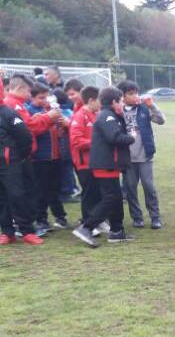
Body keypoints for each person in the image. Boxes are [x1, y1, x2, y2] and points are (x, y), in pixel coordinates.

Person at [71, 88, 136, 246]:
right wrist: (131, 138)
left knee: (115, 198)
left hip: (110, 164)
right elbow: (114, 137)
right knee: (110, 198)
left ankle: (117, 231)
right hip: (105, 164)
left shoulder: (110, 115)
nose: (122, 104)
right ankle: (86, 227)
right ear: (114, 102)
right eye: (120, 101)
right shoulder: (107, 116)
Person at [117, 81, 163, 230]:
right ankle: (137, 217)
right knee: (130, 187)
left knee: (149, 186)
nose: (135, 96)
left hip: (145, 155)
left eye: (136, 93)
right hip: (127, 157)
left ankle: (155, 217)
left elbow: (161, 120)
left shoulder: (144, 108)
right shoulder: (118, 111)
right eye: (130, 93)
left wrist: (152, 106)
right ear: (122, 96)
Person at [25, 84, 70, 232]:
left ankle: (60, 216)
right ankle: (41, 220)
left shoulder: (50, 110)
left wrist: (62, 126)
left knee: (55, 189)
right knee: (40, 190)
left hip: (56, 157)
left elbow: (59, 131)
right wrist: (48, 119)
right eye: (40, 98)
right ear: (31, 97)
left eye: (46, 97)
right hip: (39, 158)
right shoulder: (29, 112)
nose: (44, 100)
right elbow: (32, 131)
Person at [0, 91, 39, 245]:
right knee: (1, 198)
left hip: (10, 162)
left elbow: (25, 136)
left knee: (17, 195)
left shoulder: (8, 113)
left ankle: (27, 231)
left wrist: (16, 155)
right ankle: (7, 232)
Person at [68, 86, 101, 229]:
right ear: (91, 100)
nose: (101, 103)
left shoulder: (95, 114)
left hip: (96, 161)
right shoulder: (80, 116)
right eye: (99, 100)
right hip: (84, 163)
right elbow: (76, 141)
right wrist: (97, 143)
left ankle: (97, 221)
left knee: (97, 192)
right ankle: (88, 224)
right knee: (88, 194)